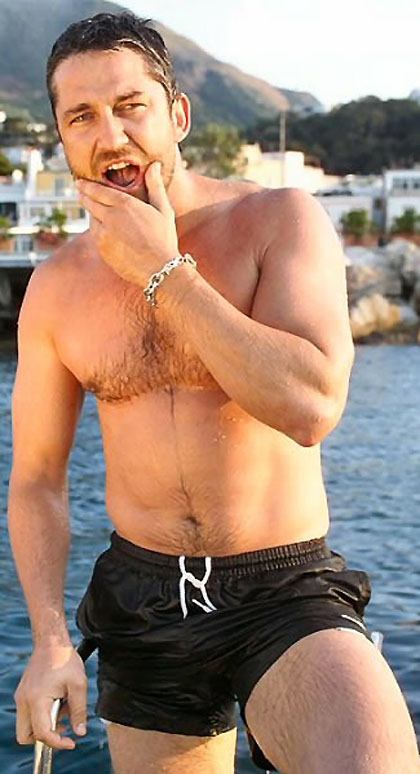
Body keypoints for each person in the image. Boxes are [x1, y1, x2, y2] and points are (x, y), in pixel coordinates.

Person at [8, 11, 419, 774]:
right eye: (82, 117)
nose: (111, 135)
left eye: (130, 106)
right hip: (142, 600)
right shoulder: (57, 288)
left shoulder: (277, 222)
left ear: (178, 116)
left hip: (282, 591)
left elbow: (311, 408)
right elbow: (36, 481)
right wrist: (49, 642)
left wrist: (164, 274)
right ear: (62, 138)